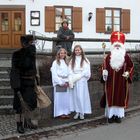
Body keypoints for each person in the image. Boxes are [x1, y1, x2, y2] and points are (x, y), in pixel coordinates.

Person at [101, 31, 134, 123]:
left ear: (122, 46)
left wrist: (127, 73)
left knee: (120, 97)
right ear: (113, 46)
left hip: (122, 81)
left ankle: (118, 116)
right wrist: (104, 72)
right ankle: (111, 116)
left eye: (119, 45)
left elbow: (131, 66)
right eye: (116, 45)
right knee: (111, 97)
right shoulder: (108, 56)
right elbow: (104, 66)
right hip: (111, 81)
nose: (117, 47)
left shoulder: (125, 56)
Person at [10, 35, 38, 133]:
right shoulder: (17, 54)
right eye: (32, 43)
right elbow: (14, 71)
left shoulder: (32, 53)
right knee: (19, 106)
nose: (34, 45)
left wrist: (36, 81)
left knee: (30, 104)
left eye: (33, 43)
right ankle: (19, 124)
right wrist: (16, 86)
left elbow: (34, 69)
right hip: (21, 84)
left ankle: (28, 122)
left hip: (30, 84)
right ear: (26, 43)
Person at [68, 45, 92, 120]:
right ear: (74, 51)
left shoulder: (85, 60)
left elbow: (86, 71)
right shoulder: (72, 60)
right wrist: (73, 77)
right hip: (75, 80)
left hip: (81, 80)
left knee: (81, 96)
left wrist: (80, 76)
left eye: (78, 50)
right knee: (76, 97)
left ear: (81, 50)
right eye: (76, 50)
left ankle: (82, 112)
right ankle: (77, 111)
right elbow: (70, 70)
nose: (77, 51)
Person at [51, 48, 71, 118]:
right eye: (61, 53)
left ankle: (65, 112)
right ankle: (60, 113)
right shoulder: (55, 62)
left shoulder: (67, 62)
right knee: (59, 98)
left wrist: (68, 81)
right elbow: (54, 74)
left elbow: (69, 73)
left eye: (64, 53)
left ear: (66, 54)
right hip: (59, 82)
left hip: (66, 81)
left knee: (65, 99)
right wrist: (61, 82)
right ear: (58, 54)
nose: (62, 54)